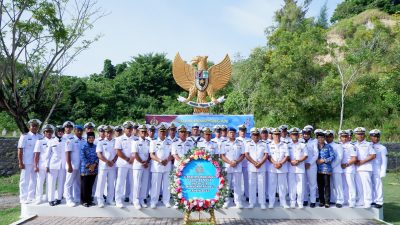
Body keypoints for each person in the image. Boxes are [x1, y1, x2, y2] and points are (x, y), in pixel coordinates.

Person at [18, 119, 43, 204]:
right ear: (29, 127)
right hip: (27, 161)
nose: (35, 127)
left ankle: (31, 196)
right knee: (24, 180)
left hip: (36, 162)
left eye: (36, 126)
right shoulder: (24, 136)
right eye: (33, 126)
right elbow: (20, 150)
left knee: (34, 179)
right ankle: (23, 197)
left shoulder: (40, 137)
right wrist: (20, 162)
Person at [149, 123, 173, 208]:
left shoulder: (170, 142)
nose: (162, 133)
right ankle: (153, 202)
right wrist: (160, 160)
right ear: (158, 132)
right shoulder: (153, 141)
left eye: (164, 131)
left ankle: (166, 201)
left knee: (167, 185)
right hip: (157, 166)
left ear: (166, 132)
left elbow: (172, 154)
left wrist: (167, 160)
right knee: (155, 185)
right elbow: (151, 155)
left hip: (167, 165)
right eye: (160, 131)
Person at [220, 127, 245, 209]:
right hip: (227, 166)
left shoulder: (240, 143)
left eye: (233, 132)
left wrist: (236, 162)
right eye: (230, 132)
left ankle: (238, 202)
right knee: (227, 185)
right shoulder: (223, 143)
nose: (232, 134)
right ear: (227, 133)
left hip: (237, 166)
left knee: (237, 185)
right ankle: (226, 201)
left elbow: (243, 155)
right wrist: (230, 162)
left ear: (236, 133)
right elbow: (222, 156)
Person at [245, 127, 268, 209]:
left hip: (261, 167)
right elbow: (246, 154)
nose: (255, 136)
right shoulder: (248, 144)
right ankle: (252, 202)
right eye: (254, 135)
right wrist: (254, 163)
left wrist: (260, 163)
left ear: (259, 135)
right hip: (252, 167)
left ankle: (262, 203)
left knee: (261, 185)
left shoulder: (264, 144)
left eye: (257, 135)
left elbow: (266, 155)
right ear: (251, 135)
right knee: (252, 185)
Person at [114, 121, 136, 208]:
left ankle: (132, 199)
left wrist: (132, 159)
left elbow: (137, 151)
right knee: (120, 183)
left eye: (130, 128)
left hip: (133, 163)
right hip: (123, 163)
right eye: (127, 128)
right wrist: (127, 159)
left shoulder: (136, 139)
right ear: (124, 129)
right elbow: (118, 151)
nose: (129, 130)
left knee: (133, 182)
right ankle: (118, 200)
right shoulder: (119, 139)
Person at [95, 125, 117, 208]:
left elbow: (117, 153)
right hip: (103, 166)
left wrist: (113, 161)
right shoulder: (100, 142)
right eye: (107, 132)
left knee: (111, 183)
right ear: (105, 133)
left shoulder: (115, 142)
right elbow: (99, 154)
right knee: (101, 183)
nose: (108, 134)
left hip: (112, 165)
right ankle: (100, 200)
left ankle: (110, 199)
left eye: (110, 132)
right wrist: (107, 161)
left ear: (112, 133)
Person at [354, 127, 376, 208]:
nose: (360, 136)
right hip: (356, 168)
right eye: (358, 134)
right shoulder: (354, 144)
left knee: (367, 185)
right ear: (355, 135)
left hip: (366, 168)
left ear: (364, 135)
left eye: (362, 134)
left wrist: (362, 162)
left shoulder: (368, 144)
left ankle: (368, 201)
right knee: (359, 185)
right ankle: (361, 200)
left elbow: (373, 155)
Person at [268, 127, 290, 209]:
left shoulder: (284, 144)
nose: (276, 136)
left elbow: (287, 156)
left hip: (282, 167)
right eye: (275, 134)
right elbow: (268, 156)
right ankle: (271, 202)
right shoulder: (269, 145)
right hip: (272, 167)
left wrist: (280, 163)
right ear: (272, 135)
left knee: (282, 186)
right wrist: (275, 163)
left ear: (280, 135)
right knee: (272, 186)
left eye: (278, 134)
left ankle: (283, 202)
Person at [64, 125, 86, 207]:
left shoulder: (84, 140)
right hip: (72, 165)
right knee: (68, 183)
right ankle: (68, 200)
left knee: (78, 182)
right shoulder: (70, 140)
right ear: (74, 131)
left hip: (81, 166)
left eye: (81, 130)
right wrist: (69, 165)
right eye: (78, 130)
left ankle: (77, 198)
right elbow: (67, 153)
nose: (79, 132)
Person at [287, 127, 308, 209]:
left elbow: (306, 155)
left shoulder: (302, 145)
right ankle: (292, 201)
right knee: (292, 186)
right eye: (293, 134)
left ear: (298, 135)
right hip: (291, 167)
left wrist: (298, 161)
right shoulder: (288, 145)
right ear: (290, 135)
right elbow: (286, 156)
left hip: (300, 168)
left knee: (301, 186)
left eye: (296, 134)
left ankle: (300, 202)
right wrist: (291, 161)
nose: (294, 136)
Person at [33, 124, 54, 204]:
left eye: (50, 131)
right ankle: (38, 198)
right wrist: (35, 166)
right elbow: (36, 154)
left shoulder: (54, 141)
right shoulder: (40, 141)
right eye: (47, 131)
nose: (49, 133)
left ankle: (48, 197)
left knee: (50, 182)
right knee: (40, 182)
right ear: (44, 132)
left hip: (51, 165)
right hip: (42, 165)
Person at [131, 124, 151, 209]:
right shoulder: (135, 141)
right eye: (142, 131)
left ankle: (142, 199)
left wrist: (147, 162)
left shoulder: (148, 142)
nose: (143, 133)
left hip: (146, 165)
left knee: (144, 183)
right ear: (139, 132)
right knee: (137, 184)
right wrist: (142, 163)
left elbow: (150, 154)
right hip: (138, 166)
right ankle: (136, 201)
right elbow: (135, 154)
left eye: (144, 131)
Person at [46, 125, 66, 206]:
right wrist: (46, 166)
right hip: (53, 164)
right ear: (56, 132)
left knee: (61, 182)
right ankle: (51, 199)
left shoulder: (66, 140)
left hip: (63, 165)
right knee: (52, 182)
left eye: (62, 131)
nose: (60, 132)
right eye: (59, 131)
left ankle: (59, 198)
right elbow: (47, 155)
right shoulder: (51, 141)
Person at [315, 129, 335, 208]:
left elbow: (333, 156)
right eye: (319, 138)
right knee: (320, 186)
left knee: (327, 185)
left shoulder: (328, 146)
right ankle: (321, 201)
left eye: (322, 137)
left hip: (326, 169)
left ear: (324, 138)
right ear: (317, 138)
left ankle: (327, 202)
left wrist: (324, 160)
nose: (321, 139)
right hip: (317, 169)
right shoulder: (315, 146)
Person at [326, 130, 344, 208]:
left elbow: (339, 158)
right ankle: (332, 199)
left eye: (330, 136)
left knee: (338, 185)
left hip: (336, 168)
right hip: (326, 169)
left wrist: (331, 166)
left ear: (333, 137)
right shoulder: (324, 145)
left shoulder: (338, 146)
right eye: (326, 136)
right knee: (328, 185)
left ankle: (340, 200)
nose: (328, 138)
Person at [369, 129, 387, 208]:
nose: (376, 138)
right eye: (374, 136)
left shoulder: (382, 148)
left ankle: (379, 201)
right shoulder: (368, 145)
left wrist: (383, 171)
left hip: (377, 169)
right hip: (368, 168)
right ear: (370, 137)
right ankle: (373, 200)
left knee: (377, 185)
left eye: (377, 136)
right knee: (370, 185)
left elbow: (384, 161)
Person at [339, 130, 357, 208]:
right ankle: (345, 200)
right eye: (343, 137)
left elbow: (354, 158)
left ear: (348, 137)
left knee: (351, 185)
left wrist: (346, 165)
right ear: (340, 137)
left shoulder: (351, 146)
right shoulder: (338, 145)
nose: (344, 138)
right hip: (340, 168)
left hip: (349, 168)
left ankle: (352, 201)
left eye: (346, 136)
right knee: (343, 185)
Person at [80, 132, 98, 207]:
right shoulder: (83, 146)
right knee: (84, 185)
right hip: (85, 169)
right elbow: (82, 157)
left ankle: (89, 200)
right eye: (89, 138)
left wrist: (94, 164)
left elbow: (98, 156)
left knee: (90, 185)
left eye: (92, 138)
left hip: (94, 169)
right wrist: (89, 165)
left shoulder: (95, 146)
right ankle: (84, 201)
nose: (91, 139)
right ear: (87, 138)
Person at [301, 126, 318, 207]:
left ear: (310, 134)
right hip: (302, 165)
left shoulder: (314, 142)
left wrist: (309, 163)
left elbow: (316, 155)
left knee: (312, 183)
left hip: (311, 165)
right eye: (304, 134)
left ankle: (313, 201)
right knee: (303, 183)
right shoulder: (300, 142)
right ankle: (305, 200)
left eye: (307, 134)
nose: (306, 135)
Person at [237, 124, 249, 202]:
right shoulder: (236, 140)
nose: (242, 132)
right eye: (241, 131)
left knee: (247, 180)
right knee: (237, 181)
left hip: (247, 163)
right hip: (238, 163)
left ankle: (247, 195)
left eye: (244, 131)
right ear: (239, 131)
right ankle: (237, 197)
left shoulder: (249, 140)